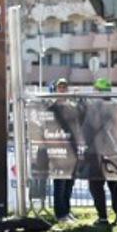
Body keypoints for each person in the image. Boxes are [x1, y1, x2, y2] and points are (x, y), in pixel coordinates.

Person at [83, 77, 117, 228]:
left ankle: (102, 217)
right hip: (114, 151)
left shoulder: (93, 108)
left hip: (95, 152)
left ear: (97, 91)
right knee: (115, 187)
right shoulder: (116, 107)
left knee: (96, 186)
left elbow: (87, 130)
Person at [49, 78, 76, 223]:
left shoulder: (72, 107)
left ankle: (67, 210)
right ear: (56, 89)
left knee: (69, 183)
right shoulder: (51, 107)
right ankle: (60, 214)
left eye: (64, 87)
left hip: (71, 150)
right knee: (59, 183)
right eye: (60, 87)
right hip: (58, 150)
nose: (62, 89)